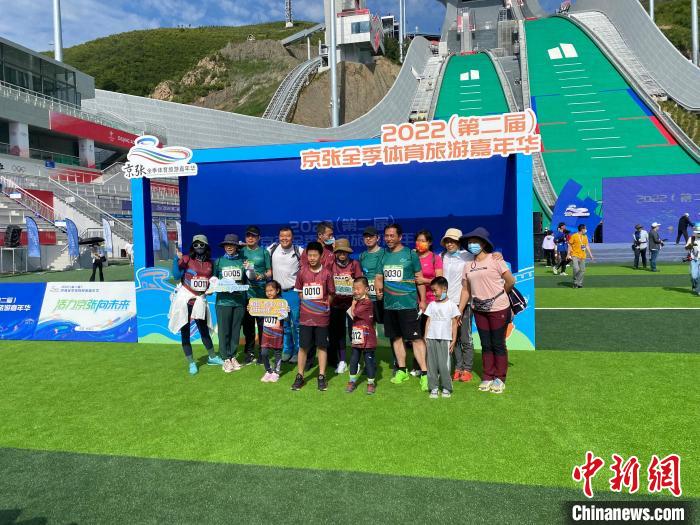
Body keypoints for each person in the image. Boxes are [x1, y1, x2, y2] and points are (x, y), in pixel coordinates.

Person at [459, 228, 515, 394]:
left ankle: (500, 378)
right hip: (479, 310)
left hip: (499, 308)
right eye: (469, 242)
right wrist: (459, 311)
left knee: (498, 343)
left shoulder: (495, 259)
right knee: (485, 344)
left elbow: (510, 281)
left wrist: (499, 295)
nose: (472, 245)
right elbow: (466, 290)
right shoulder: (468, 266)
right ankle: (488, 376)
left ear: (483, 243)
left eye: (475, 242)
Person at [375, 223, 429, 391]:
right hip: (389, 306)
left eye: (392, 236)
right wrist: (379, 290)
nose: (388, 239)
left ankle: (425, 373)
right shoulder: (383, 255)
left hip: (408, 304)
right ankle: (402, 370)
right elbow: (379, 277)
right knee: (396, 338)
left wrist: (423, 300)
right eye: (386, 236)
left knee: (416, 339)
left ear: (400, 237)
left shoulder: (410, 254)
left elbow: (419, 279)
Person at [168, 234, 223, 375]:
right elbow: (176, 275)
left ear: (206, 246)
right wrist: (176, 259)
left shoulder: (211, 263)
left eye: (201, 244)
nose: (199, 247)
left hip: (199, 300)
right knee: (185, 330)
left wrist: (210, 288)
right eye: (196, 244)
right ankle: (191, 363)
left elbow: (212, 280)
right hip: (184, 299)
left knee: (203, 330)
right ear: (193, 246)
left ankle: (212, 357)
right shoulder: (186, 259)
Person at [291, 241, 335, 391]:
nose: (312, 258)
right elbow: (300, 292)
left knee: (322, 346)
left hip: (322, 318)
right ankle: (300, 375)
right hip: (305, 318)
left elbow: (331, 294)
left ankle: (321, 376)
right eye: (309, 255)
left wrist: (324, 307)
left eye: (315, 255)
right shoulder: (302, 272)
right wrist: (309, 305)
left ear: (321, 256)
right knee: (303, 347)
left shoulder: (327, 273)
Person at [267, 227, 304, 363]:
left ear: (292, 237)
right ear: (278, 237)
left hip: (294, 292)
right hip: (279, 294)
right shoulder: (272, 249)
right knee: (285, 324)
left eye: (287, 236)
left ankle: (298, 351)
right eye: (282, 236)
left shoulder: (299, 251)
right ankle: (287, 350)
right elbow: (257, 253)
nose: (284, 238)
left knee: (297, 325)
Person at [212, 233, 247, 373]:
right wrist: (215, 285)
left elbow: (248, 279)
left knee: (235, 331)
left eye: (232, 245)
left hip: (239, 302)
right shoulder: (219, 262)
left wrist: (249, 269)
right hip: (223, 302)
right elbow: (213, 280)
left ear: (236, 246)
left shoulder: (243, 261)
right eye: (227, 245)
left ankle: (232, 356)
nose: (229, 247)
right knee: (223, 331)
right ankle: (225, 358)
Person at [328, 238, 363, 373]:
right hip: (336, 304)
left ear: (349, 252)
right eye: (339, 252)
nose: (342, 254)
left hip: (352, 304)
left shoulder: (355, 264)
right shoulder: (331, 265)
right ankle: (342, 361)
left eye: (345, 252)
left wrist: (355, 300)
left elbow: (359, 284)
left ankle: (356, 361)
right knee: (339, 334)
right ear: (336, 253)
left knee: (354, 333)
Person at [411, 229, 443, 375]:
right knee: (416, 335)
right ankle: (418, 366)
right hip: (414, 302)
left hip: (432, 302)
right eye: (418, 240)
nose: (420, 243)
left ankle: (433, 366)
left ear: (429, 243)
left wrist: (424, 280)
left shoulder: (435, 258)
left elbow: (440, 281)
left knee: (430, 335)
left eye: (423, 241)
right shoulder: (412, 257)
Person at [424, 277, 460, 399]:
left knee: (444, 365)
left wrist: (453, 340)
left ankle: (446, 387)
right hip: (431, 338)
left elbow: (454, 324)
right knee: (431, 365)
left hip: (445, 339)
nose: (434, 293)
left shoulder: (452, 305)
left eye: (435, 290)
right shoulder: (431, 305)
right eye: (432, 291)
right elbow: (428, 321)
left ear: (444, 289)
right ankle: (433, 387)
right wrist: (425, 336)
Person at [242, 225, 272, 365]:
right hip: (247, 295)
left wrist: (262, 276)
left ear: (258, 238)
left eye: (253, 236)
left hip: (261, 294)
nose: (250, 238)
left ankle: (262, 352)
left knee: (261, 326)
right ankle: (249, 352)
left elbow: (270, 272)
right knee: (248, 326)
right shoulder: (241, 252)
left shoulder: (264, 252)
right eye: (248, 235)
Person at [345, 276, 378, 395]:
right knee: (354, 359)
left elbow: (354, 313)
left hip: (368, 337)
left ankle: (371, 383)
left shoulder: (367, 302)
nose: (355, 291)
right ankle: (352, 381)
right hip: (357, 335)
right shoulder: (359, 301)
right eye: (354, 289)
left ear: (366, 289)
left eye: (358, 289)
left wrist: (353, 303)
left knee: (369, 361)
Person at [257, 280, 289, 382]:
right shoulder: (264, 303)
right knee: (264, 352)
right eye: (267, 291)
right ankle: (268, 370)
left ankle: (276, 372)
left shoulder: (282, 302)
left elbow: (286, 317)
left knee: (277, 352)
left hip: (277, 332)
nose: (269, 293)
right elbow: (259, 314)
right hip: (266, 331)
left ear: (277, 290)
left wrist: (282, 315)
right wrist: (252, 308)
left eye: (271, 290)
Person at [359, 226, 385, 324]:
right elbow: (362, 275)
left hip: (382, 297)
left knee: (383, 326)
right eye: (366, 237)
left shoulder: (385, 253)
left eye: (371, 236)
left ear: (378, 238)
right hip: (367, 298)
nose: (368, 239)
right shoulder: (362, 255)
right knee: (368, 326)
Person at [568, 224, 594, 288]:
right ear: (582, 229)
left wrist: (590, 255)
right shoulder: (574, 236)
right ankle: (575, 282)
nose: (586, 230)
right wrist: (568, 254)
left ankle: (579, 283)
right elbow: (570, 244)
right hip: (575, 255)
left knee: (582, 270)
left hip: (582, 255)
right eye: (585, 229)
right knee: (576, 268)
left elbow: (586, 245)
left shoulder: (585, 236)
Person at [685, 225, 700, 295]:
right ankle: (695, 285)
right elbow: (686, 248)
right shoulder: (691, 239)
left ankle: (699, 290)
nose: (699, 234)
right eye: (698, 233)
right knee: (694, 276)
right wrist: (691, 245)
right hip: (694, 260)